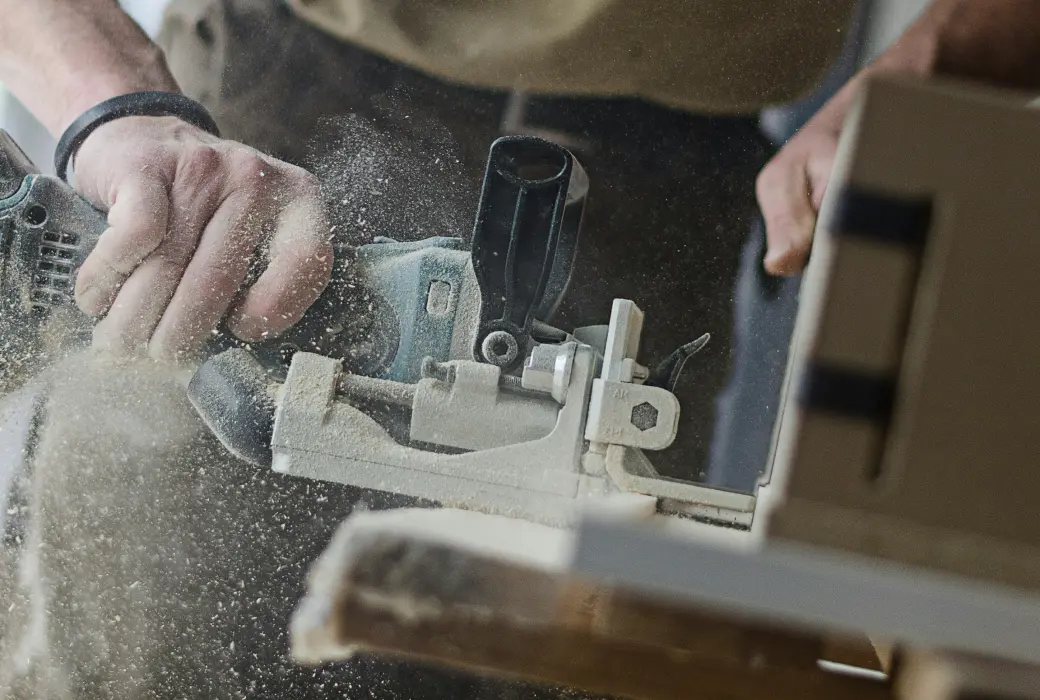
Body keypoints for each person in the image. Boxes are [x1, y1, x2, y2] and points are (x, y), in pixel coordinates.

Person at [1, 0, 1039, 697]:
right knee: (144, 649)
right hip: (258, 132)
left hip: (676, 144)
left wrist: (938, 66)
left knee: (562, 655)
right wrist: (119, 109)